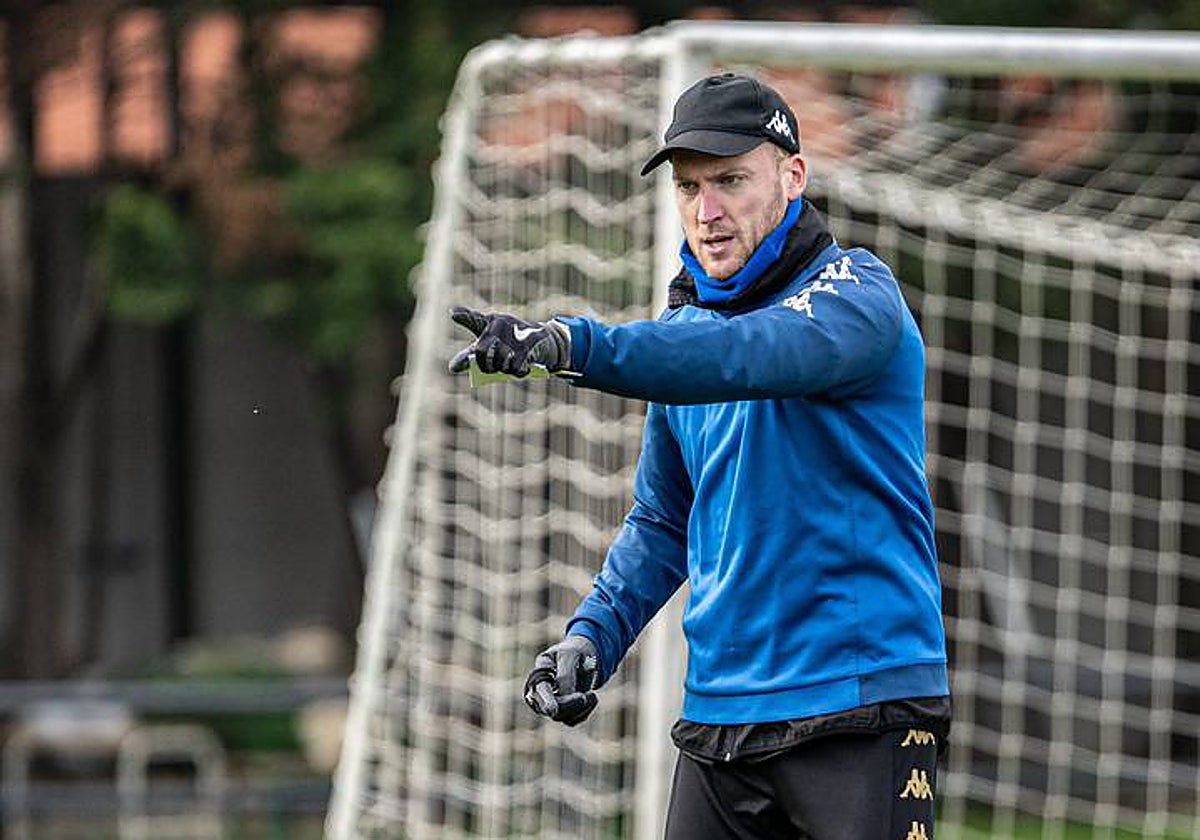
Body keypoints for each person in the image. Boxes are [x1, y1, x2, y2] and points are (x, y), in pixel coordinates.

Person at [449, 72, 950, 840]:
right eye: (688, 188)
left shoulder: (860, 296)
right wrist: (593, 635)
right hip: (721, 723)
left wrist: (568, 344)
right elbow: (663, 518)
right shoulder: (682, 336)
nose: (705, 211)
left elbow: (749, 353)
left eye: (730, 181)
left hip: (861, 706)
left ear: (793, 176)